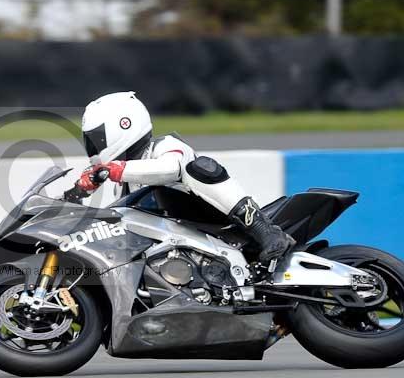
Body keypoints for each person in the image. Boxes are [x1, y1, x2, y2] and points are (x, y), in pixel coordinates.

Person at [75, 91, 293, 264]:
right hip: (180, 248)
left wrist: (113, 169)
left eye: (98, 139)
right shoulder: (123, 183)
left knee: (200, 168)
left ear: (124, 124)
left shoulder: (165, 146)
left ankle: (266, 231)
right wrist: (75, 197)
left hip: (220, 226)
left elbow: (171, 168)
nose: (94, 148)